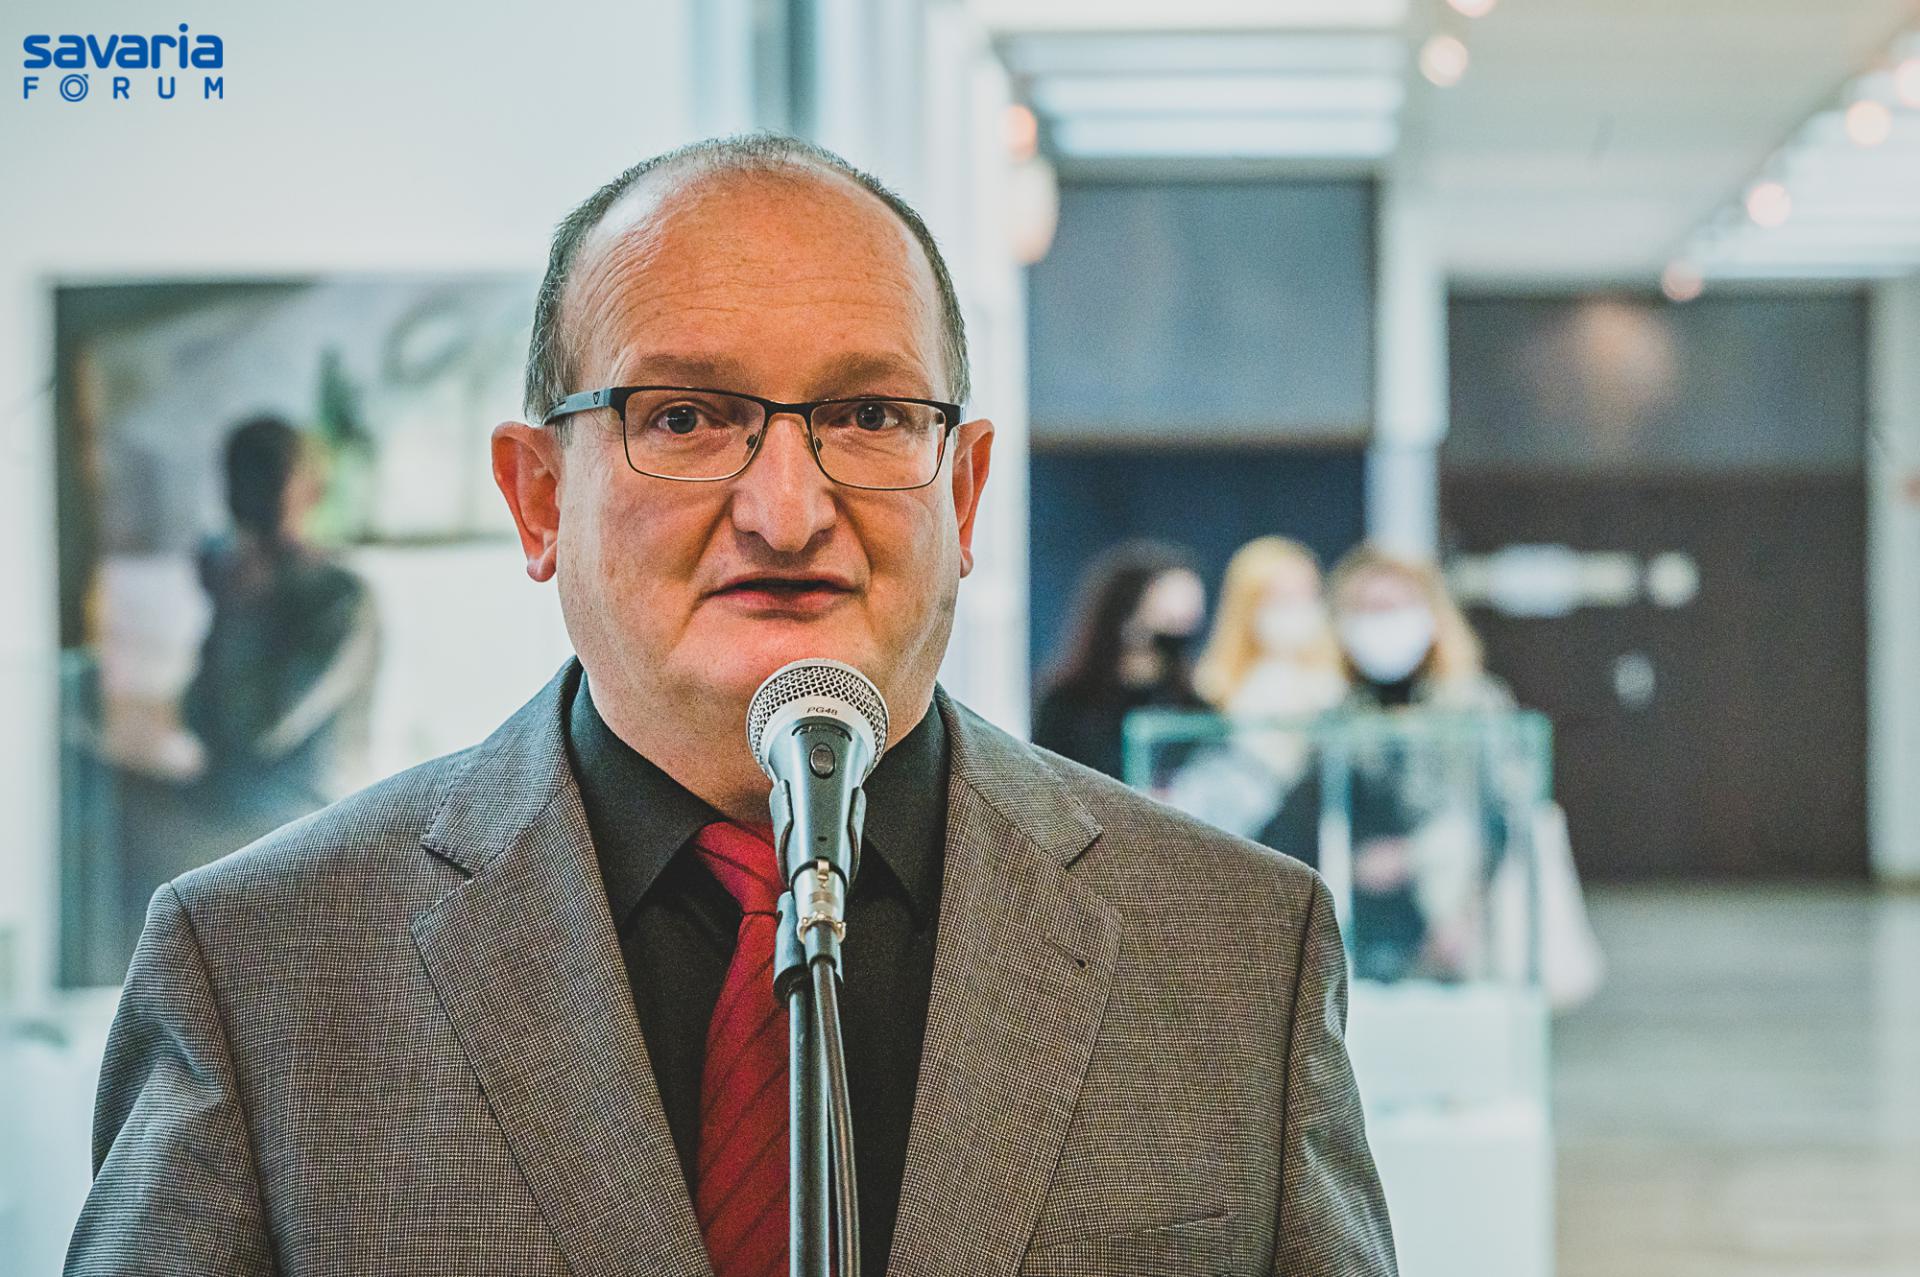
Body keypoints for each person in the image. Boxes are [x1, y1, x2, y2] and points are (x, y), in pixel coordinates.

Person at [67, 135, 1396, 1277]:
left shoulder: (1235, 949)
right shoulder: (263, 968)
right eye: (688, 417)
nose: (787, 509)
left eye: (868, 412)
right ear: (538, 496)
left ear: (965, 492)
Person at [180, 416, 379, 837]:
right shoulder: (245, 584)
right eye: (243, 485)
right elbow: (195, 716)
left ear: (311, 491)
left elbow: (260, 726)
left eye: (269, 482)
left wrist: (242, 611)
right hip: (229, 821)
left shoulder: (338, 597)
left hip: (310, 830)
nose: (253, 504)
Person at [1163, 538, 1346, 837]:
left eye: (1307, 595)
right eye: (1280, 598)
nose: (1297, 610)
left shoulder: (1336, 690)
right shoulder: (1206, 690)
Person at [1030, 540, 1208, 781]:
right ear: (1126, 616)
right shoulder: (1066, 705)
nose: (1180, 631)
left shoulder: (1193, 710)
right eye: (1167, 618)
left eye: (1188, 620)